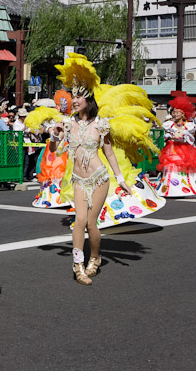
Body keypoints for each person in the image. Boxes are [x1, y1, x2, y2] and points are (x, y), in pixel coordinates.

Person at [53, 53, 165, 285]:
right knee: (79, 220)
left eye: (79, 97)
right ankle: (78, 265)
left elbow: (110, 153)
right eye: (72, 97)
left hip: (99, 178)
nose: (74, 101)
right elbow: (55, 147)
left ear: (88, 100)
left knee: (91, 223)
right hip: (78, 180)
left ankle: (95, 257)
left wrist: (120, 178)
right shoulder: (67, 123)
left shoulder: (101, 125)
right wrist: (54, 136)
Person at [156, 96, 196, 196]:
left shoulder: (189, 125)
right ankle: (170, 189)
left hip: (184, 149)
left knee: (184, 166)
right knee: (171, 166)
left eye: (178, 112)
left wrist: (186, 135)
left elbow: (192, 141)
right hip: (172, 148)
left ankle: (186, 187)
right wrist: (168, 136)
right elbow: (164, 137)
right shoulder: (169, 124)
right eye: (174, 112)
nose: (175, 114)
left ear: (183, 114)